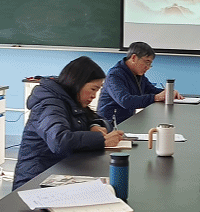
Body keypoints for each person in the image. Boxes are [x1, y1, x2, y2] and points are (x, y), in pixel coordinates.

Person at [14, 57, 126, 189]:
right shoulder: (49, 105)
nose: (94, 96)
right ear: (78, 84)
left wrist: (94, 126)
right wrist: (102, 140)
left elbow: (95, 118)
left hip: (59, 173)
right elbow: (59, 140)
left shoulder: (71, 100)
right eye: (93, 89)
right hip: (34, 183)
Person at [96, 42, 181, 126]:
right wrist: (156, 97)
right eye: (147, 62)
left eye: (150, 64)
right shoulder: (115, 75)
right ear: (134, 58)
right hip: (110, 125)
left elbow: (151, 90)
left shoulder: (137, 74)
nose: (148, 67)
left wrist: (169, 92)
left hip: (128, 121)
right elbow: (125, 101)